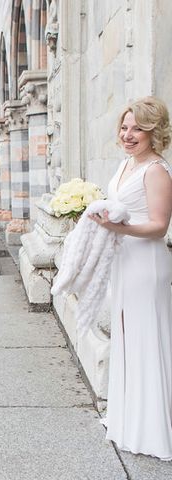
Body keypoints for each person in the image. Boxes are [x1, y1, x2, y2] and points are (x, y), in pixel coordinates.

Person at [91, 97, 172, 460]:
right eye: (124, 127)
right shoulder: (127, 164)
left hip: (145, 263)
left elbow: (158, 226)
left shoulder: (156, 170)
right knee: (126, 336)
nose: (128, 134)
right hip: (123, 260)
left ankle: (152, 426)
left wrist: (117, 226)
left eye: (137, 128)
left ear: (154, 132)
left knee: (144, 336)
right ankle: (128, 416)